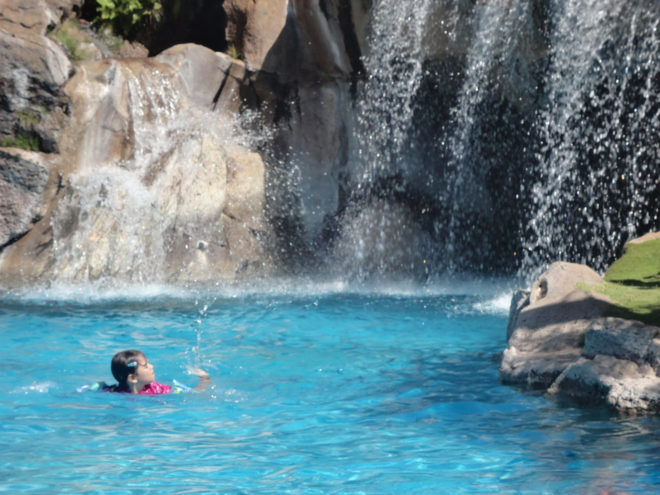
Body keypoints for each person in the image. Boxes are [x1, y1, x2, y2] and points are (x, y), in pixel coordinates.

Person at [103, 349, 210, 394]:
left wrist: (204, 379)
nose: (152, 366)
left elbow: (193, 393)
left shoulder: (158, 389)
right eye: (145, 366)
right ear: (133, 378)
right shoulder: (112, 391)